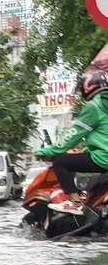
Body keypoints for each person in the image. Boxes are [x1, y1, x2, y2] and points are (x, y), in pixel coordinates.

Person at [35, 68, 108, 214]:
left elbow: (73, 134)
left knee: (61, 163)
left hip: (104, 159)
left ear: (88, 87)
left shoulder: (94, 107)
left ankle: (75, 202)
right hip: (101, 156)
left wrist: (48, 151)